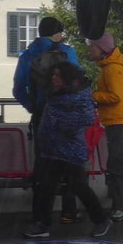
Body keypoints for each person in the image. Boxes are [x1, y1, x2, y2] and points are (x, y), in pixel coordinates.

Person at [22, 61, 111, 239]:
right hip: (52, 149)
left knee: (77, 187)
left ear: (67, 78)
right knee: (47, 187)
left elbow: (84, 119)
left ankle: (100, 220)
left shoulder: (77, 98)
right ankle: (43, 224)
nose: (54, 79)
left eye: (58, 75)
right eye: (53, 75)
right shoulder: (57, 96)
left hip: (69, 151)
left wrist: (58, 124)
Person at [13, 16, 81, 222]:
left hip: (42, 114)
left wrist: (32, 106)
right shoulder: (67, 52)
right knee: (70, 162)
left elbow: (18, 88)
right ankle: (69, 211)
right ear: (57, 32)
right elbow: (77, 82)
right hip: (65, 115)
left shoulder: (28, 55)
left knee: (43, 165)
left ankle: (40, 217)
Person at [87, 33, 123, 222]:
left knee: (117, 165)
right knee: (119, 164)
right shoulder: (110, 67)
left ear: (102, 49)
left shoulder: (112, 69)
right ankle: (121, 207)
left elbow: (115, 96)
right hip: (117, 120)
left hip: (118, 121)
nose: (91, 50)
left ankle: (121, 208)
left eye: (93, 47)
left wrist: (94, 96)